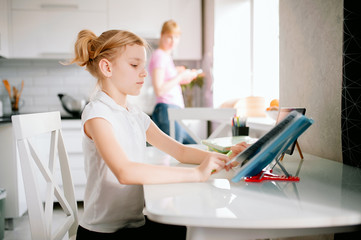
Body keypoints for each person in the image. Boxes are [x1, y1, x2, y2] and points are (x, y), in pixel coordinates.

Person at [67, 29, 248, 240]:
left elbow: (179, 151)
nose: (144, 73)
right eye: (135, 65)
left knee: (185, 228)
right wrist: (196, 174)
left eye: (143, 66)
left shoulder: (135, 115)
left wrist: (225, 158)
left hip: (133, 225)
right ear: (107, 67)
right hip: (102, 233)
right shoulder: (98, 113)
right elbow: (125, 172)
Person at [149, 20, 199, 144]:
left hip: (172, 110)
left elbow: (169, 82)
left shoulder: (165, 56)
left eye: (176, 37)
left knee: (195, 146)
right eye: (169, 37)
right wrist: (180, 76)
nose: (173, 41)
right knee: (178, 154)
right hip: (167, 109)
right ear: (162, 36)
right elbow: (159, 90)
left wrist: (182, 76)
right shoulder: (160, 55)